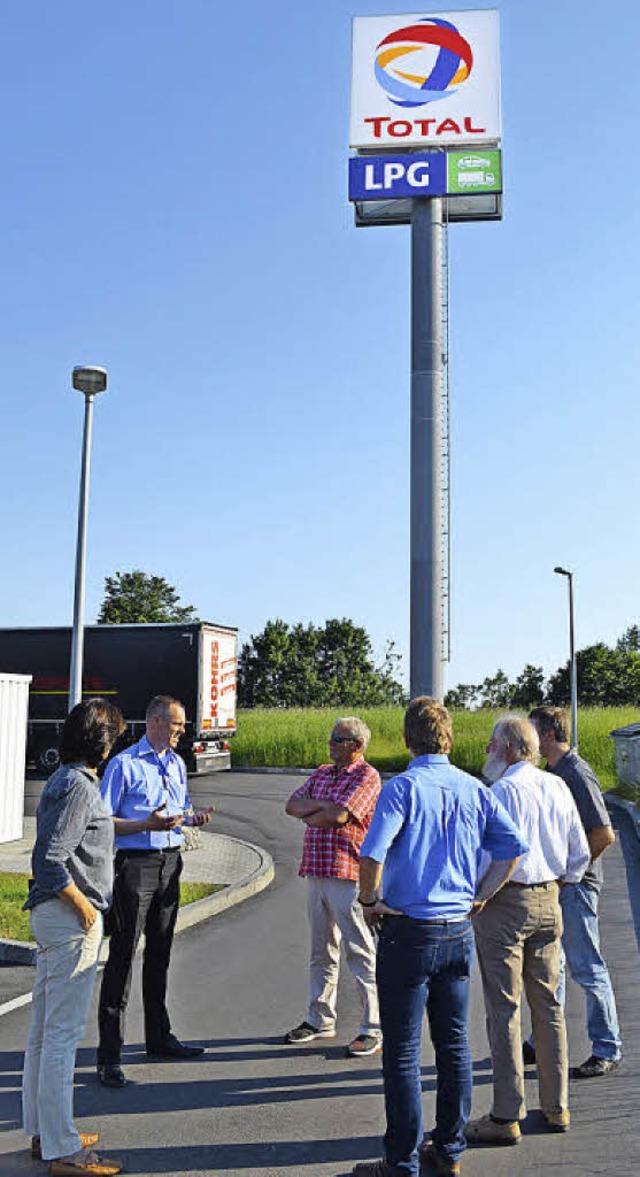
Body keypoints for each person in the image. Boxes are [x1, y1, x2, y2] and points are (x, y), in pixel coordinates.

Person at [352, 697, 527, 1177]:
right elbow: (514, 847)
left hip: (409, 931)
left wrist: (369, 902)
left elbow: (371, 855)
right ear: (448, 739)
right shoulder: (474, 789)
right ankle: (448, 1151)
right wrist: (482, 895)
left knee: (404, 1053)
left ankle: (401, 1161)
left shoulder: (402, 788)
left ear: (408, 740)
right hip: (457, 930)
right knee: (454, 1048)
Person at [466, 716, 590, 1147]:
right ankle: (556, 1106)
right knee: (549, 1006)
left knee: (504, 1010)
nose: (486, 752)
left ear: (507, 749)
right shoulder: (556, 785)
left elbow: (491, 855)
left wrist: (479, 896)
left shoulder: (502, 791)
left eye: (490, 745)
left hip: (507, 900)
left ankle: (506, 1113)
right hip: (550, 898)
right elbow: (581, 852)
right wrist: (560, 881)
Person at [22, 698, 126, 1177]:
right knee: (61, 1036)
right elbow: (50, 859)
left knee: (45, 1033)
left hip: (52, 916)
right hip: (69, 917)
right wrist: (85, 908)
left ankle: (47, 1132)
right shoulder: (81, 787)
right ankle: (63, 1150)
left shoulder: (62, 779)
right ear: (101, 742)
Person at [96, 695, 213, 1087]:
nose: (183, 731)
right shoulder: (124, 764)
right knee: (123, 958)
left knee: (160, 954)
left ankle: (158, 1038)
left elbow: (177, 811)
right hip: (135, 866)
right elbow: (104, 822)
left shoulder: (177, 764)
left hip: (169, 863)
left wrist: (191, 819)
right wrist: (146, 825)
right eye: (178, 724)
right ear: (157, 723)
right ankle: (109, 1055)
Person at [527, 706, 622, 1078]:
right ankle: (542, 1043)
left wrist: (571, 875)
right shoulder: (554, 772)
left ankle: (606, 1047)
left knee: (587, 966)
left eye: (534, 732)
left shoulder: (576, 774)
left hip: (577, 887)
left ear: (548, 735)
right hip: (563, 884)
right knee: (556, 967)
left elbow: (604, 834)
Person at [284, 716, 383, 1056]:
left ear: (357, 746)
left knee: (359, 950)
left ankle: (373, 1025)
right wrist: (322, 811)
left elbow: (341, 816)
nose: (331, 742)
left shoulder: (368, 777)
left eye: (338, 739)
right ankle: (320, 1018)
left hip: (349, 874)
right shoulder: (323, 772)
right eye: (331, 737)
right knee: (320, 950)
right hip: (317, 871)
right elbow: (291, 805)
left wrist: (317, 814)